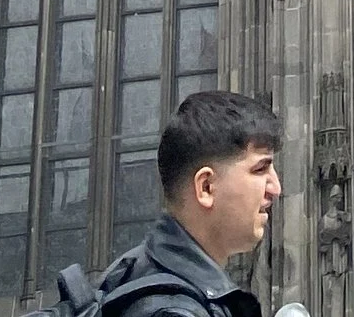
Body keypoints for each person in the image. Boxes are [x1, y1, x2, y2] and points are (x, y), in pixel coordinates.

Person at [62, 90, 284, 314]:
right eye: (260, 169)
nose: (276, 188)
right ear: (206, 187)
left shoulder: (128, 274)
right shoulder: (170, 308)